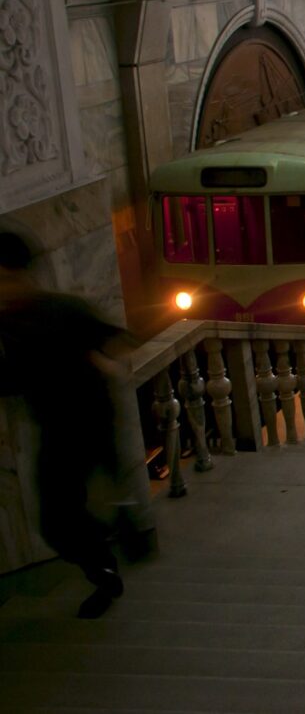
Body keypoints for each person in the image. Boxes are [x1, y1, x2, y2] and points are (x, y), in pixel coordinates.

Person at [0, 233, 133, 619]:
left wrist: (108, 364)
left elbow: (113, 340)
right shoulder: (7, 322)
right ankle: (105, 560)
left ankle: (115, 541)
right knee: (55, 522)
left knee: (81, 502)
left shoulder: (62, 309)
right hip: (54, 429)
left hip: (90, 420)